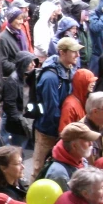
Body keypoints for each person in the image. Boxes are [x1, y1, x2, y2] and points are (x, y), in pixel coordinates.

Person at [34, 38, 80, 176]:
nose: (77, 55)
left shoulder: (68, 69)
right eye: (74, 52)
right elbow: (51, 110)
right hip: (47, 131)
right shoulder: (50, 78)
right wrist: (61, 131)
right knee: (39, 167)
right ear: (62, 53)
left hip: (60, 128)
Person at [43, 122, 100, 191]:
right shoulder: (59, 174)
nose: (91, 143)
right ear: (74, 146)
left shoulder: (81, 159)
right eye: (87, 140)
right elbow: (65, 201)